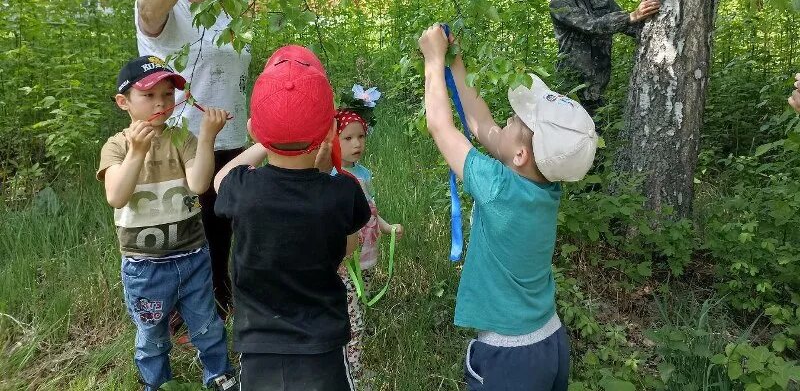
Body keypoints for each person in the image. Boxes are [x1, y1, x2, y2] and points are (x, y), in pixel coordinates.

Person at [418, 25, 598, 391]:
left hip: (511, 360)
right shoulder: (545, 186)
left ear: (520, 154)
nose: (507, 121)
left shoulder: (500, 189)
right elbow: (482, 126)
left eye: (515, 122)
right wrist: (457, 65)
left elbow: (441, 127)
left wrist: (433, 62)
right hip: (550, 341)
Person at [214, 46, 371, 391]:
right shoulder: (342, 193)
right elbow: (347, 248)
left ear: (255, 132)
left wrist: (263, 141)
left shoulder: (242, 190)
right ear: (331, 131)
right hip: (323, 348)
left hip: (258, 349)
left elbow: (220, 178)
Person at [96, 56, 237, 391]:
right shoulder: (117, 146)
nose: (161, 102)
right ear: (123, 102)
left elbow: (200, 184)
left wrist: (206, 138)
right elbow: (117, 196)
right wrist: (137, 152)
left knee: (207, 325)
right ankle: (156, 383)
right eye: (148, 95)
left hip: (192, 256)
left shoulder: (181, 138)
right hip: (145, 266)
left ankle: (219, 377)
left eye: (168, 94)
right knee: (152, 333)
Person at [136, 0, 251, 333]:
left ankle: (218, 302)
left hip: (231, 137)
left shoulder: (223, 12)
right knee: (184, 235)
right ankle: (177, 320)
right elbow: (149, 10)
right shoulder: (169, 7)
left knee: (222, 231)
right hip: (184, 142)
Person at [334, 85, 405, 385]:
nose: (356, 143)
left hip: (367, 260)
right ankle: (354, 374)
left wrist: (387, 227)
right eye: (347, 138)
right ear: (333, 141)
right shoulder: (336, 179)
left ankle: (347, 364)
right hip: (345, 265)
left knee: (357, 312)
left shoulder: (363, 174)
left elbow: (371, 211)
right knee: (354, 324)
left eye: (360, 136)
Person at [548, 0, 661, 116]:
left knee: (597, 131)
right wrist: (631, 16)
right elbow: (590, 25)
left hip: (599, 81)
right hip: (571, 82)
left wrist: (655, 26)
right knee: (571, 131)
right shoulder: (558, 3)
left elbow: (629, 28)